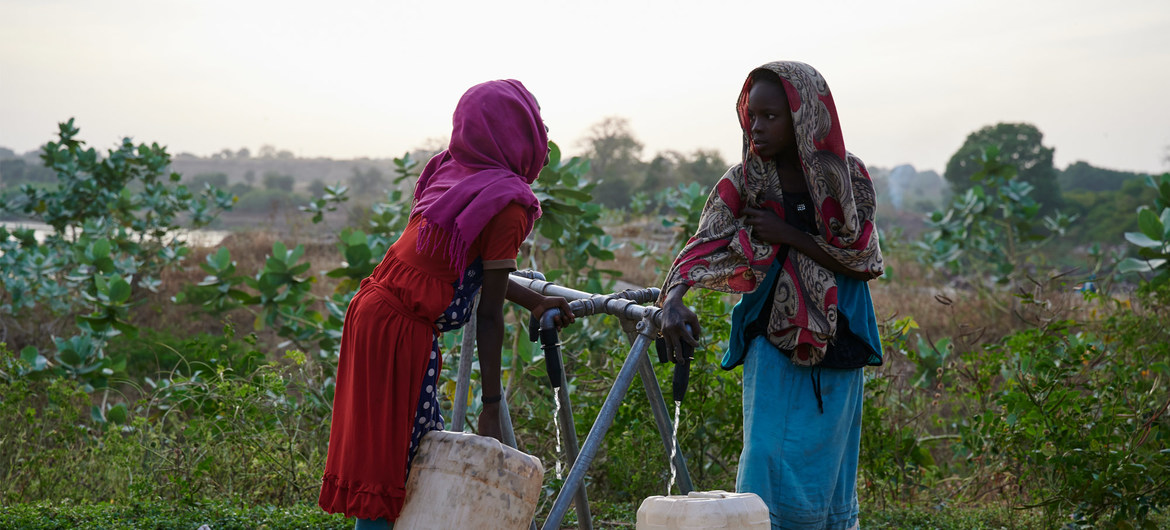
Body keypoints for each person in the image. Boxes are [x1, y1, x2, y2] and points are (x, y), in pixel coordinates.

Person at [318, 79, 575, 530]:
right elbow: (490, 314)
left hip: (373, 312)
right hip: (399, 330)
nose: (544, 131)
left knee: (395, 453)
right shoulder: (508, 203)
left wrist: (532, 298)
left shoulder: (454, 171)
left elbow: (458, 269)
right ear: (516, 132)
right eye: (536, 121)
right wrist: (491, 405)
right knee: (394, 461)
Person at [658, 61, 884, 530]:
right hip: (772, 332)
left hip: (842, 331)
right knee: (763, 449)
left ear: (805, 116)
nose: (756, 127)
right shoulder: (745, 181)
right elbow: (703, 243)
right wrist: (673, 298)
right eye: (750, 115)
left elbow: (864, 260)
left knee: (828, 458)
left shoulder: (848, 177)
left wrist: (787, 234)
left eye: (770, 116)